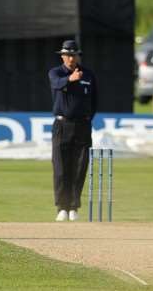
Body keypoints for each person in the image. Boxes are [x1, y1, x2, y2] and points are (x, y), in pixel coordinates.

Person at [48, 40, 97, 222]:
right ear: (62, 56)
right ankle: (62, 207)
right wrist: (70, 79)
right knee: (61, 168)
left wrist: (86, 119)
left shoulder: (88, 74)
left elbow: (94, 101)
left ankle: (74, 207)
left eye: (73, 55)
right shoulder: (56, 73)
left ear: (78, 56)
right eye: (67, 55)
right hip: (62, 125)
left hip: (83, 126)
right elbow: (56, 84)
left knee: (79, 167)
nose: (70, 58)